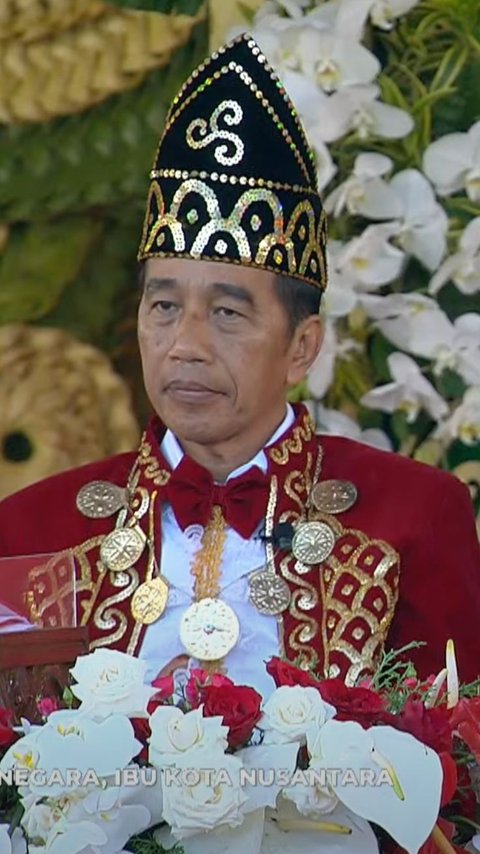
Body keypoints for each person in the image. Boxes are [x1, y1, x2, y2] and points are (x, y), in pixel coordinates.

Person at [0, 34, 479, 698]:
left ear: (303, 347)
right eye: (163, 306)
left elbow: (460, 769)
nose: (185, 344)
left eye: (227, 313)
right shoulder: (33, 527)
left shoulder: (413, 517)